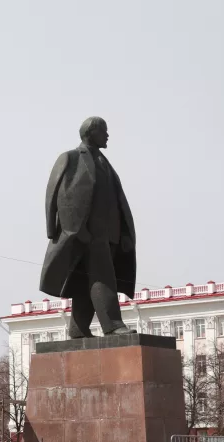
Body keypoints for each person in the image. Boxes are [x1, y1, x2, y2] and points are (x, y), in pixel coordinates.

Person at [39, 116, 137, 338]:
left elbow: (118, 201)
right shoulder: (71, 157)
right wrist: (71, 229)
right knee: (103, 277)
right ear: (91, 133)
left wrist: (124, 233)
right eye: (104, 131)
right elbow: (57, 194)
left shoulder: (105, 164)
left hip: (110, 234)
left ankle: (78, 329)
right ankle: (113, 324)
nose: (108, 135)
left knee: (86, 281)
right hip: (87, 233)